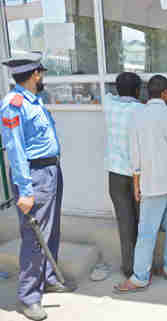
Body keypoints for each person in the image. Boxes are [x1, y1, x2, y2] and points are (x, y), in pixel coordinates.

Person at [1, 53, 74, 321]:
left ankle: (49, 278)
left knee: (50, 230)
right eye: (41, 73)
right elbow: (16, 150)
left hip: (50, 171)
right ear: (35, 75)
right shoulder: (14, 104)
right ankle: (29, 297)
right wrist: (26, 190)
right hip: (34, 175)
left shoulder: (34, 100)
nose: (42, 77)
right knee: (34, 237)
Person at [113, 75, 167, 293]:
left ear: (148, 94)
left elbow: (135, 155)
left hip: (151, 182)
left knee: (146, 232)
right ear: (165, 94)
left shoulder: (137, 117)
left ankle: (140, 277)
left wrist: (136, 183)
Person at [102, 72, 144, 278]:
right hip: (138, 175)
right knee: (142, 220)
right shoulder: (141, 110)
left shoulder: (109, 105)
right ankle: (143, 266)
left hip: (116, 173)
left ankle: (129, 267)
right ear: (138, 91)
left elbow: (108, 94)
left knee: (125, 221)